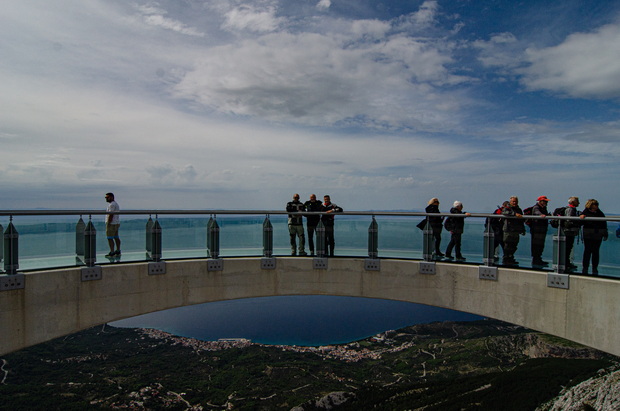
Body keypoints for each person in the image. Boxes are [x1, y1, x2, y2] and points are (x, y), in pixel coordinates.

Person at [579, 199, 608, 275]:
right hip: (588, 234)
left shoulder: (600, 213)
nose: (597, 206)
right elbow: (580, 223)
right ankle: (585, 267)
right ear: (591, 205)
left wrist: (605, 233)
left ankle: (594, 268)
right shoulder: (585, 212)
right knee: (587, 251)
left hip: (597, 235)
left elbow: (604, 224)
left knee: (595, 251)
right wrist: (581, 217)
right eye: (595, 205)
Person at [502, 196, 525, 266]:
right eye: (513, 201)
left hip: (516, 230)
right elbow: (505, 212)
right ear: (510, 202)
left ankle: (511, 258)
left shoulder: (519, 209)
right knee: (507, 245)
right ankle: (506, 259)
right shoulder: (507, 208)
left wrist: (522, 229)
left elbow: (521, 221)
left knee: (514, 245)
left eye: (516, 201)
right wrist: (514, 214)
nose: (514, 203)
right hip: (508, 230)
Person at [529, 196, 551, 268]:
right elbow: (536, 212)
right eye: (545, 201)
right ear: (541, 201)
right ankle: (536, 259)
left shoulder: (544, 208)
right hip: (537, 230)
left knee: (540, 245)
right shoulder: (536, 207)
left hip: (542, 229)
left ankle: (538, 258)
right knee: (536, 245)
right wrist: (541, 215)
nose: (546, 203)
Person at [562, 197, 581, 272]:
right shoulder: (570, 209)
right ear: (573, 202)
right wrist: (577, 222)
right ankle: (566, 263)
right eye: (577, 201)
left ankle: (567, 262)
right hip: (568, 232)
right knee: (567, 248)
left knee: (568, 248)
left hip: (570, 232)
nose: (579, 203)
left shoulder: (572, 209)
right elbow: (569, 220)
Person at [105, 192, 121, 257]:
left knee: (110, 238)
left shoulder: (112, 205)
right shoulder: (115, 204)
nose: (106, 199)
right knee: (116, 237)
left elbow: (111, 214)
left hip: (112, 223)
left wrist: (108, 222)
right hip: (116, 223)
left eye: (107, 197)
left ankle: (112, 251)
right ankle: (118, 250)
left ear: (111, 197)